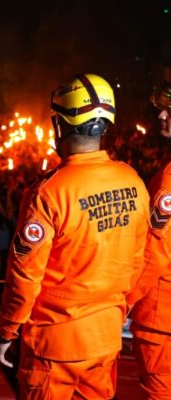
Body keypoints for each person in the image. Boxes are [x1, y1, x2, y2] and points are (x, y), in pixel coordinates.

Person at [0, 73, 150, 399]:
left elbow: (25, 276)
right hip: (105, 340)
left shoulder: (48, 193)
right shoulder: (134, 182)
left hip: (53, 347)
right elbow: (138, 263)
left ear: (60, 124)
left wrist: (8, 329)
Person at [126, 79, 171, 400]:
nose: (162, 116)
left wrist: (121, 304)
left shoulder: (169, 180)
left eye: (170, 110)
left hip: (162, 322)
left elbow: (153, 253)